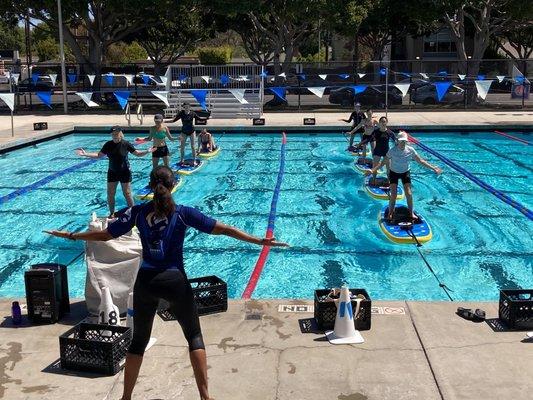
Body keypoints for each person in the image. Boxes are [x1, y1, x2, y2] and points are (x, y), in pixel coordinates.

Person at [45, 165, 289, 400]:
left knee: (138, 341)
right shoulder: (183, 213)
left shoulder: (138, 212)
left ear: (151, 186)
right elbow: (223, 229)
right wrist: (258, 241)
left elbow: (106, 234)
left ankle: (126, 397)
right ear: (173, 185)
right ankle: (205, 396)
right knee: (194, 335)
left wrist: (72, 235)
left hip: (147, 282)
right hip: (175, 280)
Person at [77, 126, 154, 217]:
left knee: (127, 193)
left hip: (125, 172)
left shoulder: (126, 144)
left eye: (116, 133)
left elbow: (137, 154)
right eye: (113, 134)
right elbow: (99, 155)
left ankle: (134, 214)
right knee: (110, 194)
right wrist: (85, 154)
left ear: (120, 133)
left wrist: (147, 151)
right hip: (112, 172)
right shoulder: (108, 144)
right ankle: (112, 213)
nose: (114, 135)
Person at [365, 131, 442, 221]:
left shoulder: (410, 150)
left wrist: (433, 168)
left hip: (405, 173)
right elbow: (383, 163)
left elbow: (421, 161)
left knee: (409, 193)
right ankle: (390, 213)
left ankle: (411, 213)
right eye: (401, 141)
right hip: (394, 173)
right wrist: (372, 170)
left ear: (407, 142)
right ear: (397, 141)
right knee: (393, 195)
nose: (402, 143)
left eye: (404, 141)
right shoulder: (392, 151)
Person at [355, 116, 396, 185]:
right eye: (382, 121)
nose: (383, 123)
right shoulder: (376, 132)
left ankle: (389, 181)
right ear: (379, 123)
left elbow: (396, 141)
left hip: (386, 152)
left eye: (384, 121)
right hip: (377, 151)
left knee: (388, 168)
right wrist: (360, 143)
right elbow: (368, 139)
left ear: (387, 122)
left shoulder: (390, 132)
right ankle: (374, 180)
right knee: (375, 166)